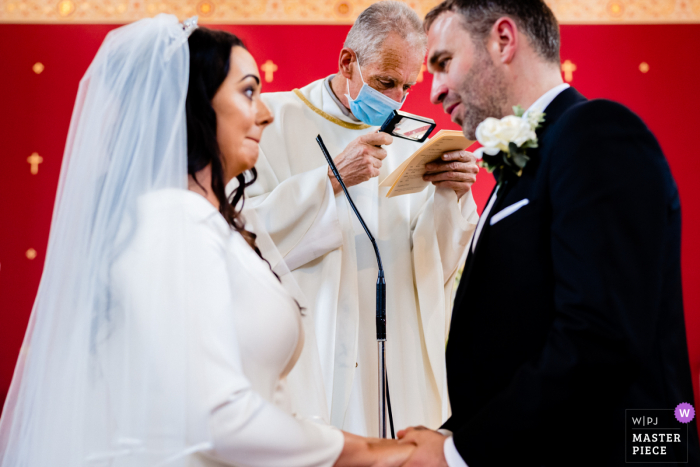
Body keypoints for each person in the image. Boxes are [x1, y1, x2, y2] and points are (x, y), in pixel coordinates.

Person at [0, 14, 415, 467]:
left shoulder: (207, 223)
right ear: (192, 104)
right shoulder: (168, 222)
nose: (266, 113)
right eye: (248, 91)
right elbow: (214, 415)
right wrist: (372, 453)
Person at [397, 1, 700, 466]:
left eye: (443, 62)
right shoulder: (520, 169)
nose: (434, 90)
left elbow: (600, 340)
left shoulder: (596, 132)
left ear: (503, 40)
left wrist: (458, 452)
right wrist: (451, 434)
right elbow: (516, 341)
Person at [245, 1, 480, 437]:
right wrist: (329, 180)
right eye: (385, 82)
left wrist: (452, 195)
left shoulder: (409, 137)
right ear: (347, 62)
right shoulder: (271, 122)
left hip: (398, 344)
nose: (395, 101)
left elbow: (433, 265)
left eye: (407, 87)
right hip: (317, 335)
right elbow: (242, 234)